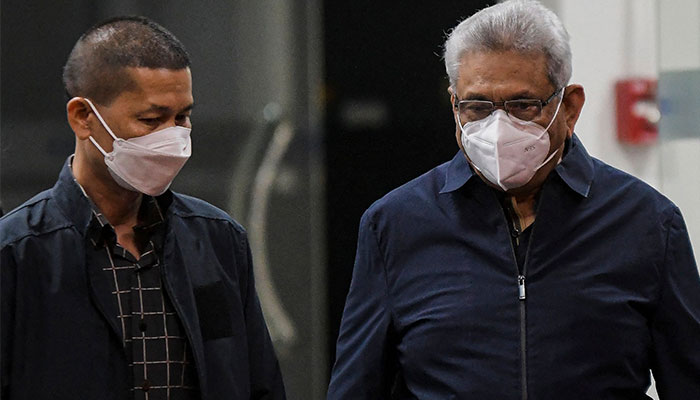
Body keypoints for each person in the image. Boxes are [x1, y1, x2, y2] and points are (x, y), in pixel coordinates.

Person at [327, 1, 700, 399]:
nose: (499, 127)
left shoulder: (646, 223)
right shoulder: (395, 226)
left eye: (523, 105)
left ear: (569, 107)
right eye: (477, 107)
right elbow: (355, 389)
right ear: (454, 105)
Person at [0, 16, 285, 399]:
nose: (173, 138)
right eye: (151, 120)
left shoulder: (217, 240)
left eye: (182, 117)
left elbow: (258, 382)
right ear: (83, 118)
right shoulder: (19, 252)